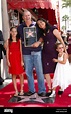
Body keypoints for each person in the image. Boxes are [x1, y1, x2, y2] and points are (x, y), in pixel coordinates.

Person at [34, 18, 66, 97]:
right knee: (46, 71)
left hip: (54, 52)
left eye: (41, 23)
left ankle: (61, 87)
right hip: (45, 53)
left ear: (45, 21)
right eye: (39, 24)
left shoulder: (53, 29)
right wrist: (37, 43)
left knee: (57, 70)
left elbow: (60, 39)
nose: (41, 25)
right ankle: (50, 88)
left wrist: (64, 50)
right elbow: (40, 40)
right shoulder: (42, 32)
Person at [17, 10, 46, 97]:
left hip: (37, 51)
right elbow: (17, 38)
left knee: (39, 72)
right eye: (25, 16)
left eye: (28, 15)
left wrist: (38, 42)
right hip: (26, 52)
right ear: (23, 17)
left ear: (31, 16)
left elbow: (42, 36)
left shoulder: (37, 25)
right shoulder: (20, 27)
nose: (27, 17)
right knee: (28, 72)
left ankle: (41, 90)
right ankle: (31, 90)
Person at [6, 27, 24, 96]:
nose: (14, 33)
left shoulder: (19, 40)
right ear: (10, 32)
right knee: (14, 75)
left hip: (18, 59)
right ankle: (16, 90)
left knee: (21, 74)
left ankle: (21, 89)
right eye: (12, 32)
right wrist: (8, 61)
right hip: (12, 59)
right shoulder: (8, 41)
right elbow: (7, 51)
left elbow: (21, 51)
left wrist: (22, 61)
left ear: (17, 33)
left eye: (15, 32)